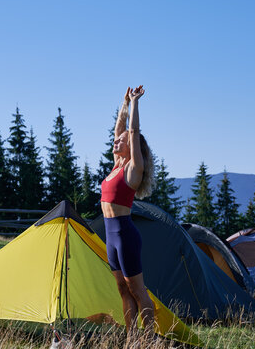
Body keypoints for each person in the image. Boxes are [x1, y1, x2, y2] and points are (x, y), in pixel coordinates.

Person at [100, 85, 155, 333]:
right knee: (122, 289)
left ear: (132, 147)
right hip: (110, 236)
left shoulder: (132, 170)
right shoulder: (115, 166)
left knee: (137, 290)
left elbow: (132, 131)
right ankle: (132, 338)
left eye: (121, 141)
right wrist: (122, 104)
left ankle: (150, 338)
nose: (116, 140)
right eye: (116, 139)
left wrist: (135, 103)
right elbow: (119, 128)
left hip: (125, 236)